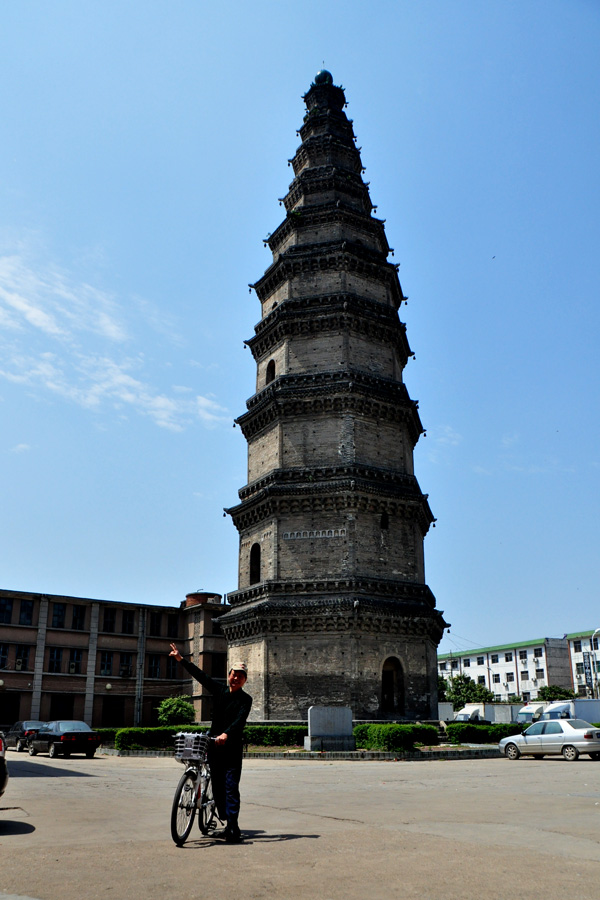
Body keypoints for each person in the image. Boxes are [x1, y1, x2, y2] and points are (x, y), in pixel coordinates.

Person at [168, 642, 252, 843]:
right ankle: (224, 818)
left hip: (231, 749)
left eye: (240, 676)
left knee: (231, 788)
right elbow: (201, 675)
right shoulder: (219, 690)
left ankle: (233, 828)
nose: (236, 678)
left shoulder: (245, 700)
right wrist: (181, 660)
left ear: (244, 680)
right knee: (219, 787)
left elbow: (240, 721)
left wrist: (226, 734)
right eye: (234, 674)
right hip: (214, 747)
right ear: (229, 675)